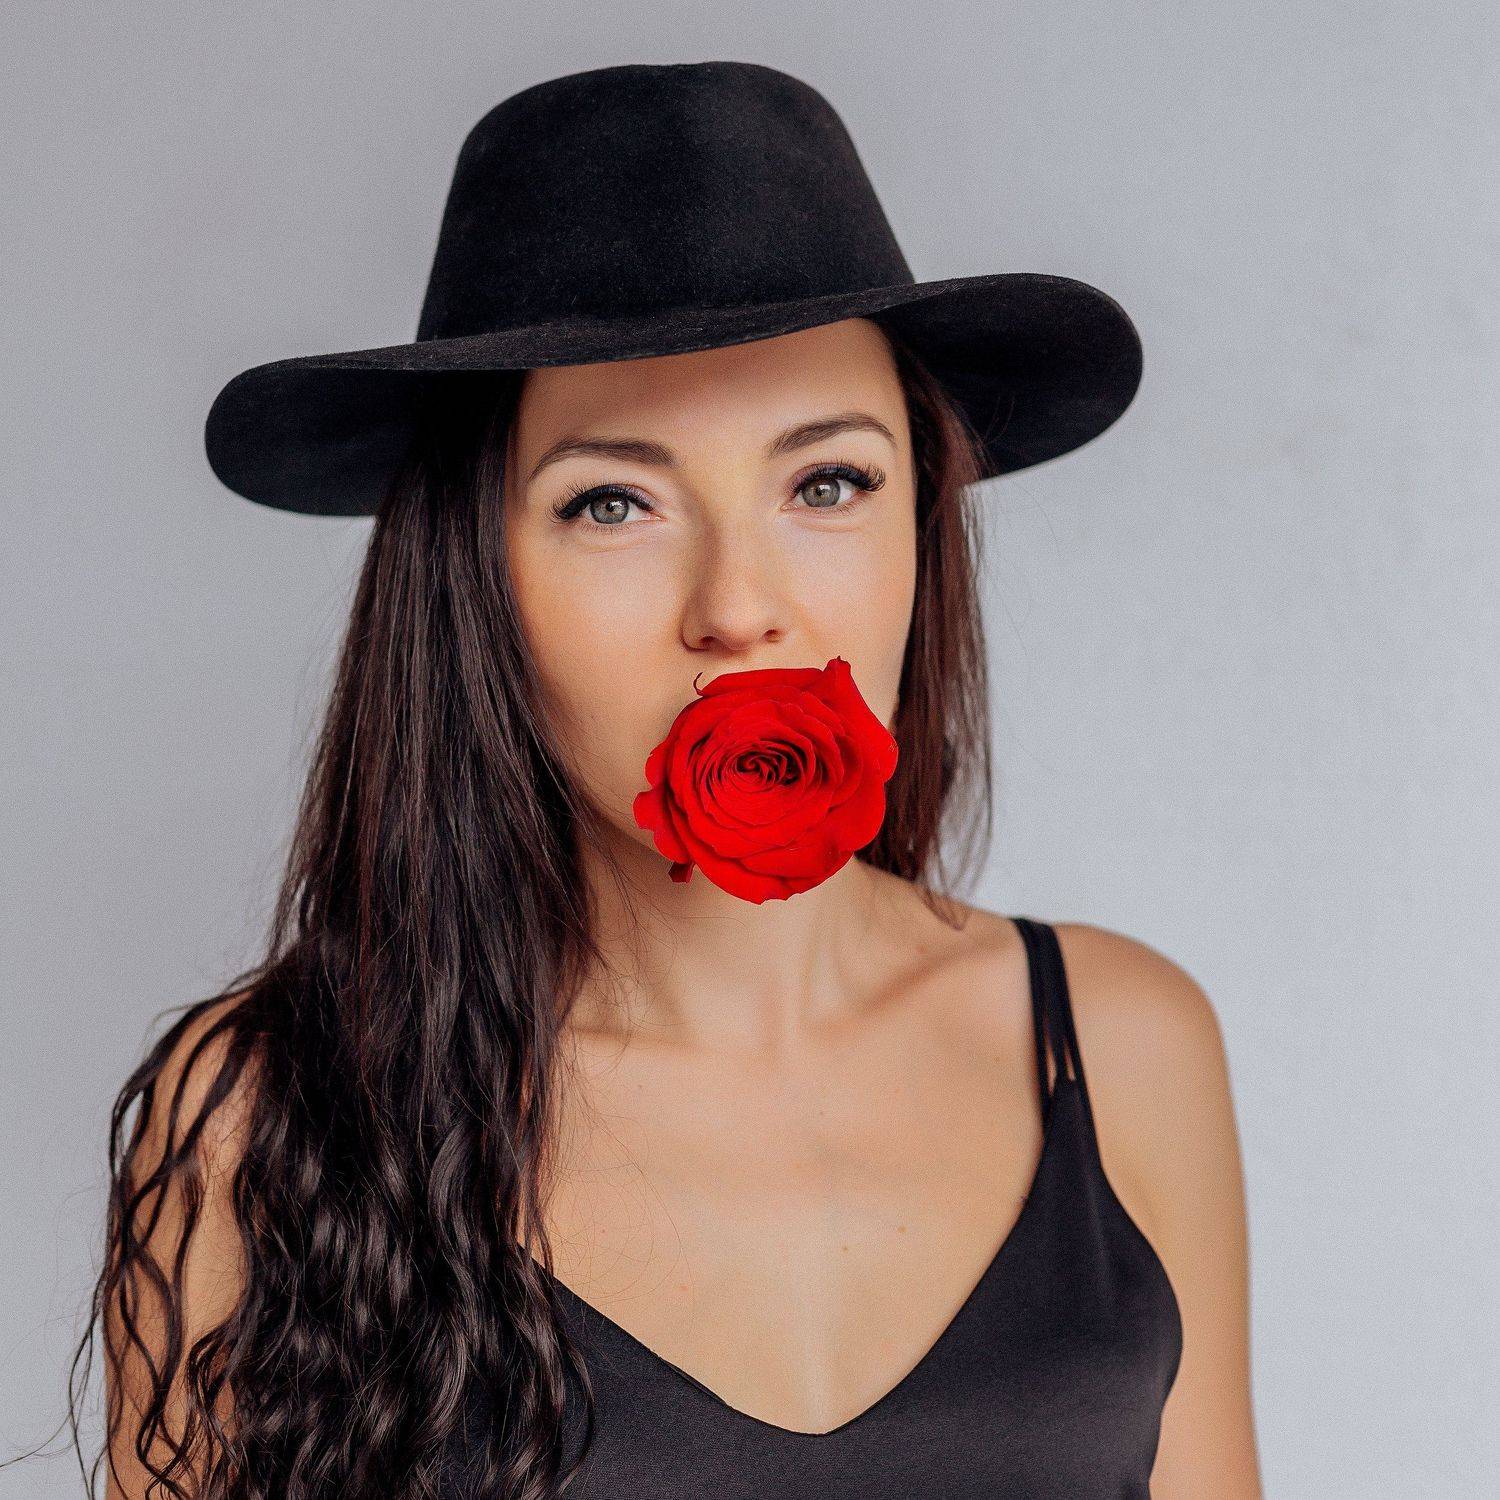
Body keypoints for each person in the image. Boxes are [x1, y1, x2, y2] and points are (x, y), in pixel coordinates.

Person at [87, 62, 1261, 1499]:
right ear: (473, 580)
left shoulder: (1123, 1042)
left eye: (828, 483)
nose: (738, 608)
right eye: (612, 503)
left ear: (922, 529)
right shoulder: (256, 1112)